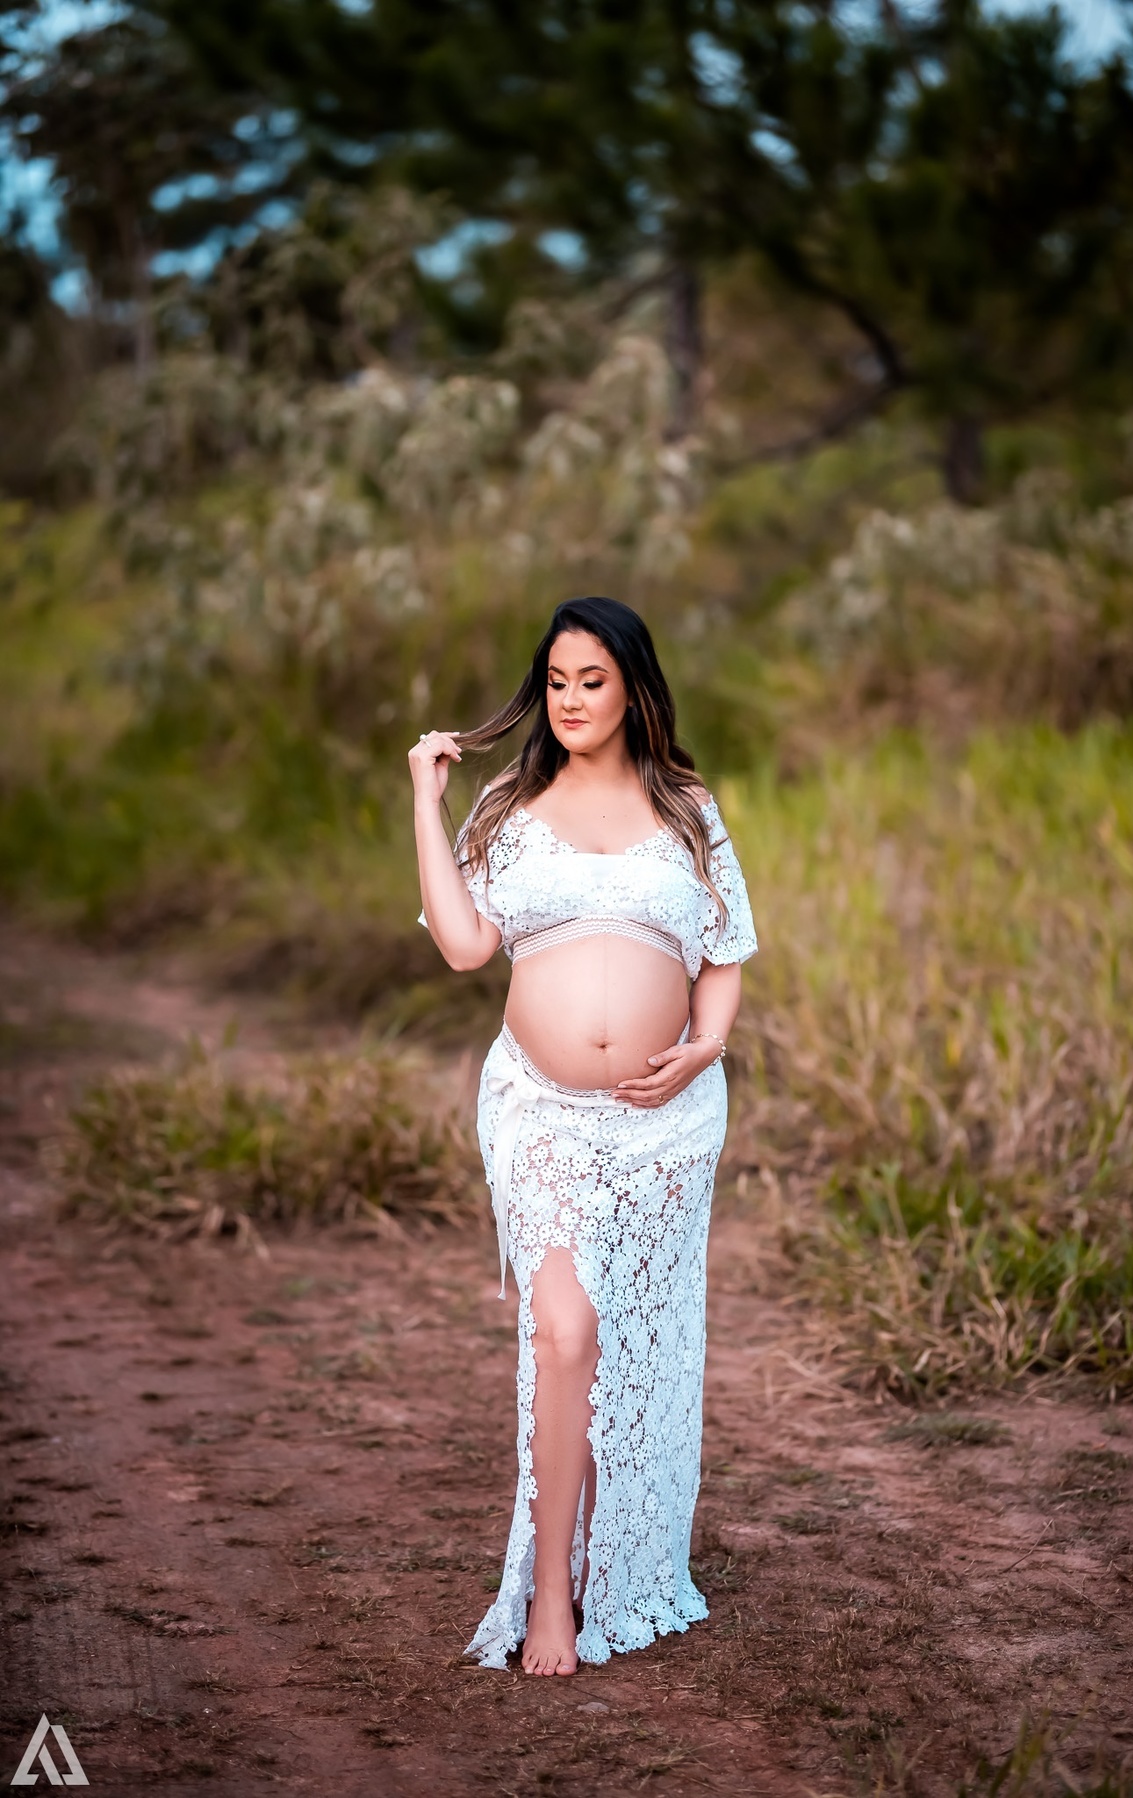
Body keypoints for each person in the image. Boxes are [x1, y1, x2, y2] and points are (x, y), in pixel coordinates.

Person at [409, 595, 757, 1678]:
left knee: (619, 1348)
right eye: (555, 681)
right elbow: (467, 946)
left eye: (591, 680)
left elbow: (727, 950)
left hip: (664, 1128)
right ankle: (550, 1591)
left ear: (634, 688)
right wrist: (427, 801)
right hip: (543, 1115)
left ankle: (618, 1554)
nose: (568, 700)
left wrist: (705, 1049)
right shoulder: (510, 807)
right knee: (562, 1332)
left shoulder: (688, 809)